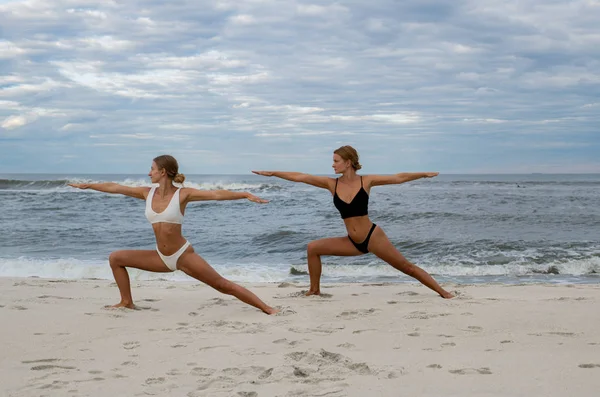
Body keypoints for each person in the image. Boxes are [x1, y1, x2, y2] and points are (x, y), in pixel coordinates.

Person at [69, 155, 279, 315]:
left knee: (222, 285)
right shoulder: (146, 192)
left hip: (181, 255)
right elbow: (115, 187)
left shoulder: (183, 194)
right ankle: (126, 302)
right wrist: (89, 186)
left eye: (152, 169)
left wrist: (244, 194)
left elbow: (216, 194)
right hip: (161, 257)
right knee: (116, 258)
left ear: (163, 172)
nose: (148, 173)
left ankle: (267, 308)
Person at [253, 145, 453, 299]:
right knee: (313, 248)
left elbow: (398, 178)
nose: (333, 164)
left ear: (348, 162)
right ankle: (314, 291)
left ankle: (443, 292)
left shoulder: (366, 181)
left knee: (407, 267)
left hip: (372, 237)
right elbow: (300, 177)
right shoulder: (332, 184)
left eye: (336, 161)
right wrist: (273, 173)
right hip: (352, 241)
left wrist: (423, 174)